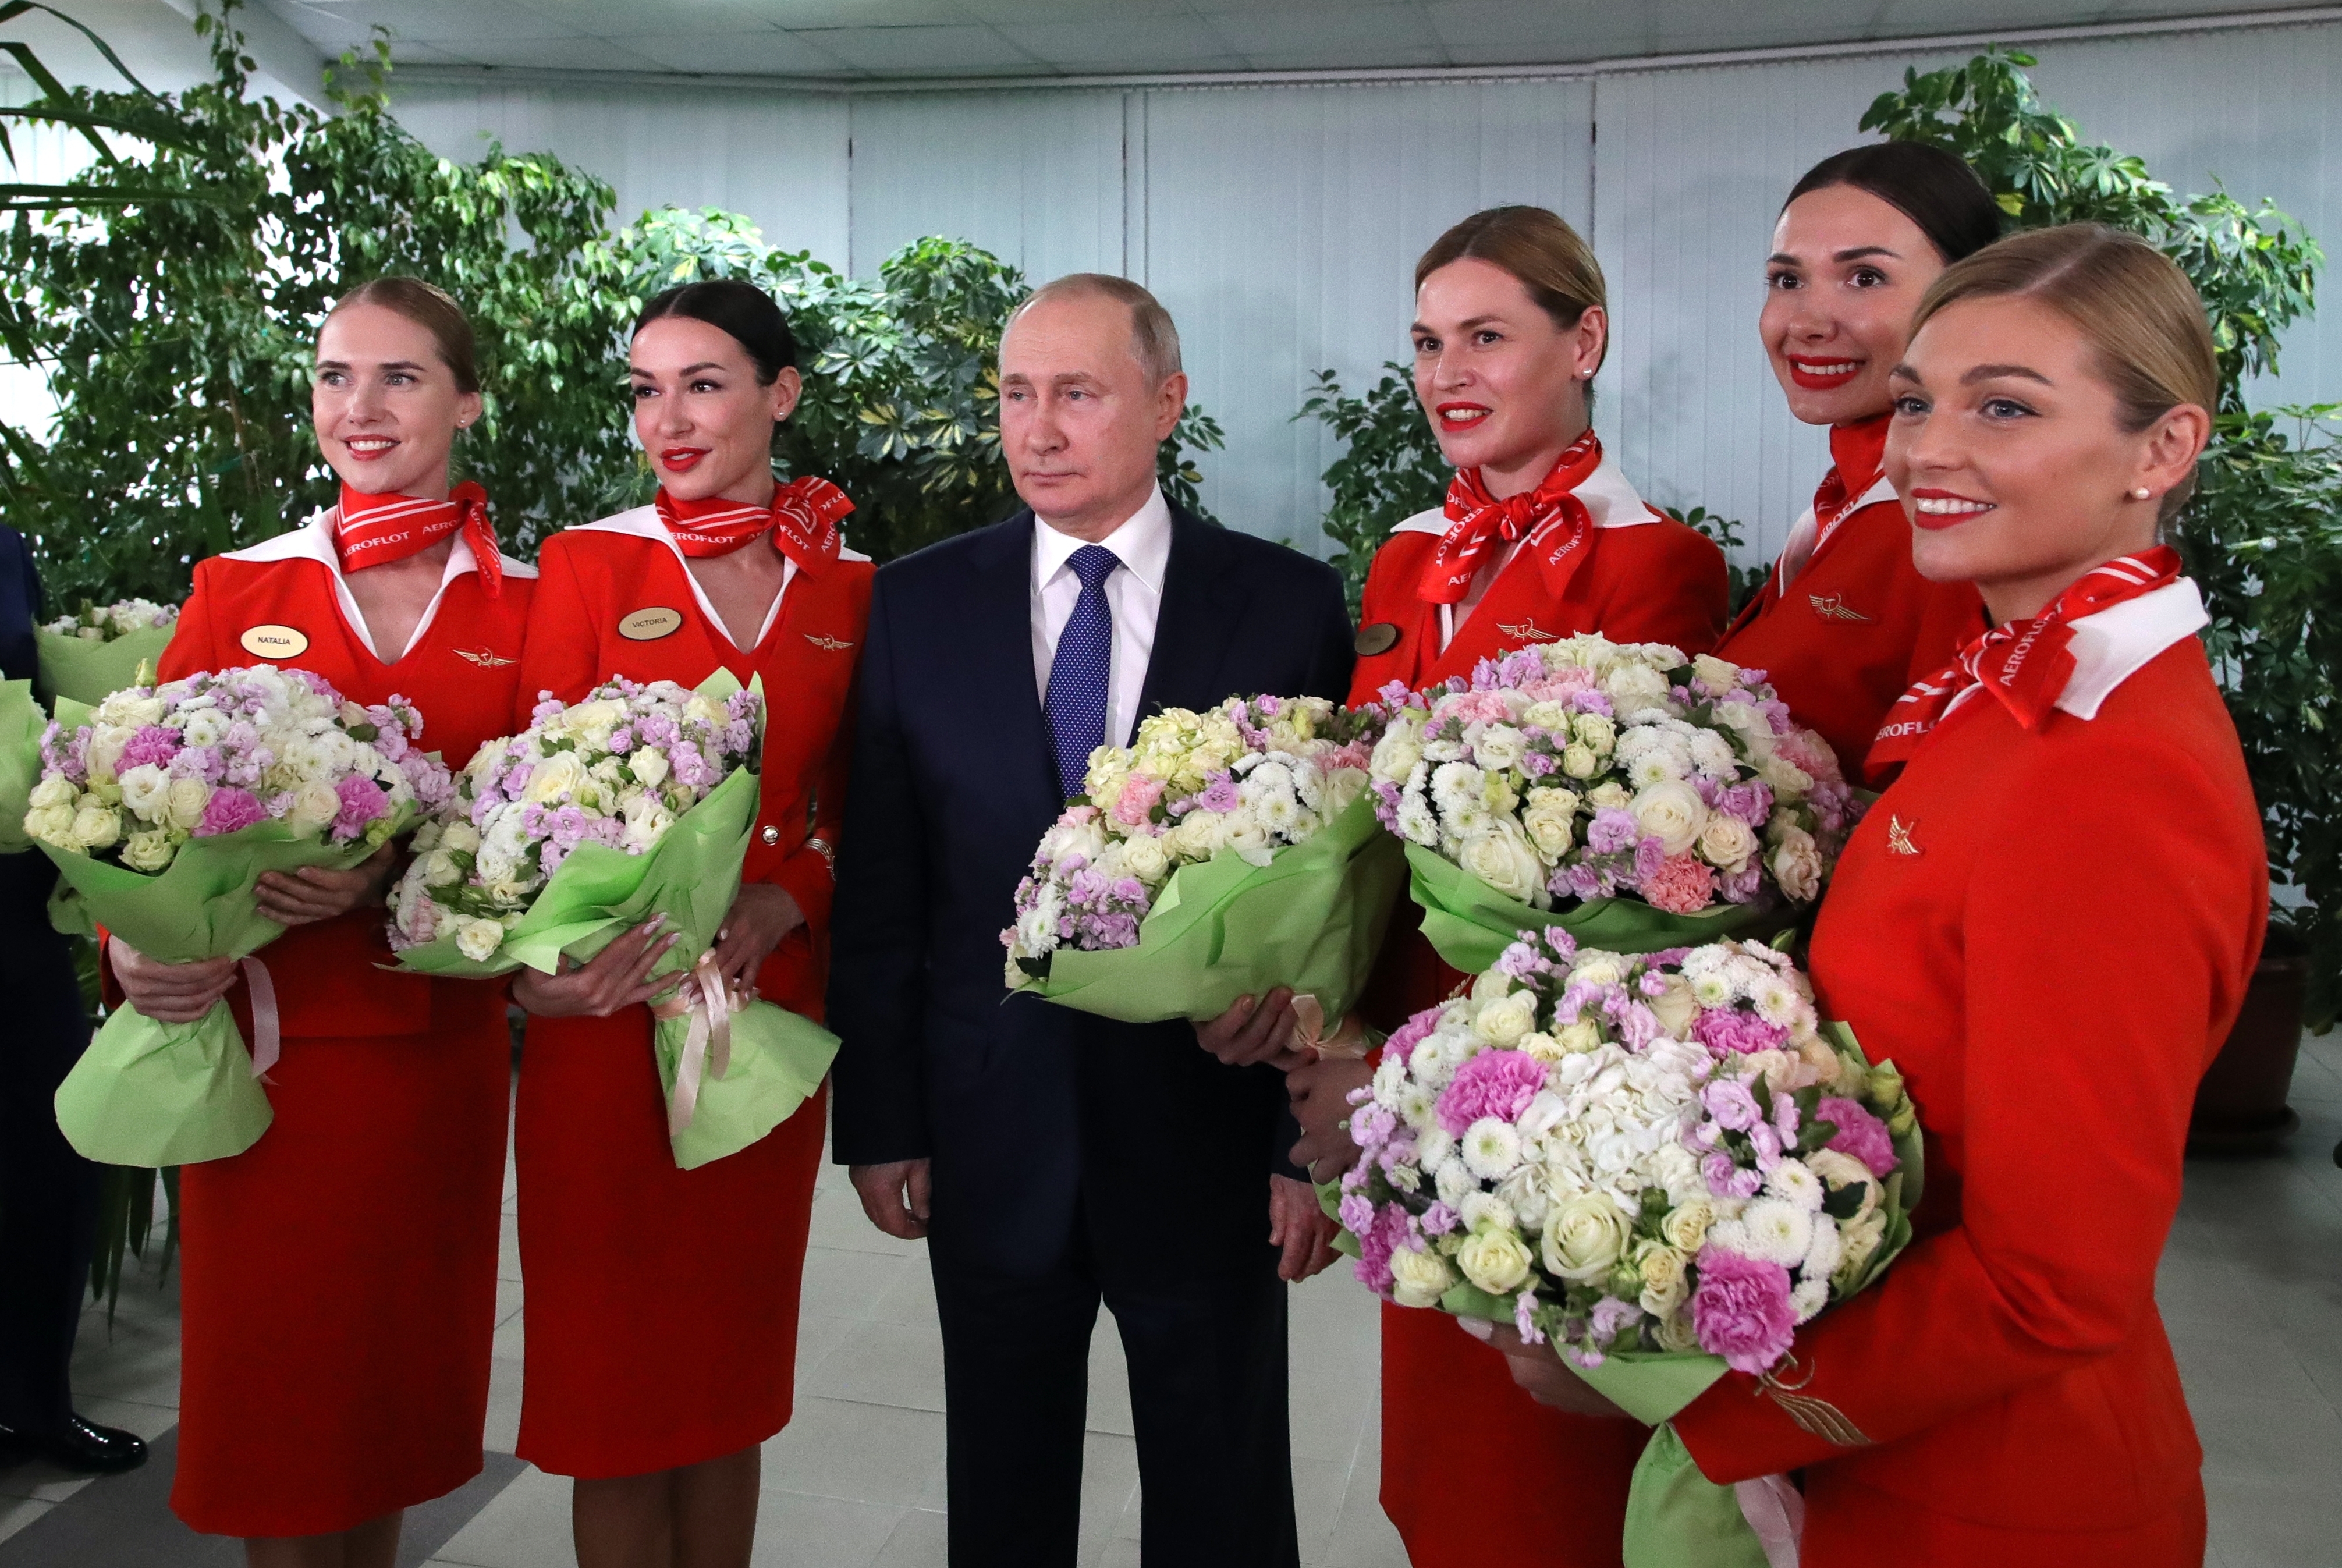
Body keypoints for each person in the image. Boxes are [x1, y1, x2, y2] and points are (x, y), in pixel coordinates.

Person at [1489, 224, 2266, 1567]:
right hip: (1888, 1471)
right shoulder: (2003, 689)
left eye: (2002, 406)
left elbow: (2051, 1281)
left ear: (2160, 449)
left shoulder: (2108, 769)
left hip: (1990, 1499)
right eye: (1915, 401)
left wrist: (1704, 1395)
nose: (1924, 450)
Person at [826, 273, 1354, 1568]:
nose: (1037, 429)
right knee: (1000, 1488)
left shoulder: (1281, 605)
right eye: (1015, 393)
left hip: (1206, 1129)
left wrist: (1306, 1146)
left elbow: (1338, 897)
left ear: (1166, 404)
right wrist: (884, 1123)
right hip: (990, 1121)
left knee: (1221, 1487)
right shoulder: (915, 606)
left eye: (1077, 393)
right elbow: (888, 889)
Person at [1279, 205, 1727, 1568]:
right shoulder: (1411, 552)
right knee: (1435, 1458)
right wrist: (1317, 1029)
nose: (1445, 371)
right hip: (1391, 1064)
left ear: (1581, 339)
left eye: (1486, 335)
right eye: (1425, 341)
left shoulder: (1652, 561)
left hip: (1540, 1084)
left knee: (1538, 1478)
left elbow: (1632, 889)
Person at [111, 278, 534, 1566]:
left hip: (438, 1068)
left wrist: (393, 871)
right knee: (281, 1409)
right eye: (335, 376)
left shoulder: (526, 600)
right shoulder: (240, 586)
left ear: (465, 399)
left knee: (392, 1399)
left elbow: (542, 835)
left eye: (401, 377)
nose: (361, 407)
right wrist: (138, 945)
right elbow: (136, 809)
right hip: (271, 1067)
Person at [507, 278, 868, 1568]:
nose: (668, 417)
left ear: (781, 394)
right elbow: (527, 798)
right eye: (645, 389)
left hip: (762, 1021)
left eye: (703, 383)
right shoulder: (589, 562)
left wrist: (789, 896)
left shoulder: (851, 586)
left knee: (724, 1384)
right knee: (611, 1400)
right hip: (607, 1020)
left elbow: (855, 808)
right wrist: (539, 965)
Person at [1713, 143, 1997, 776]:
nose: (1808, 322)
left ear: (1965, 296)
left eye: (1864, 278)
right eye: (1787, 280)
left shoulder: (1956, 522)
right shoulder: (1846, 495)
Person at [0, 528, 140, 1480]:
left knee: (50, 1156)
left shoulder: (4, 545)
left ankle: (33, 1402)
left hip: (14, 904)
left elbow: (40, 688)